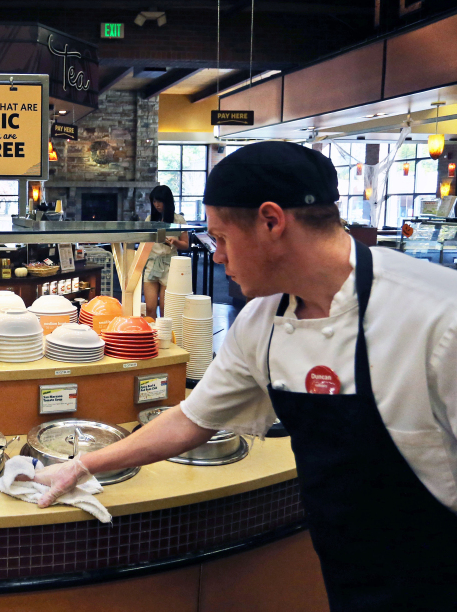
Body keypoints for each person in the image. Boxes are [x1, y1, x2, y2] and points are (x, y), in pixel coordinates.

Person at [30, 141, 457, 611]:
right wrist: (83, 464)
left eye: (223, 239)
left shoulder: (439, 315)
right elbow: (192, 419)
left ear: (272, 222)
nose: (215, 257)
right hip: (351, 574)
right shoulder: (262, 322)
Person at [143, 185, 189, 317]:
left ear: (167, 201)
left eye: (160, 201)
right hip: (152, 264)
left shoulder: (178, 220)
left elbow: (186, 245)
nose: (157, 205)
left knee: (165, 308)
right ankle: (151, 336)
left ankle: (165, 336)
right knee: (150, 308)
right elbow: (144, 242)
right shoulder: (150, 219)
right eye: (154, 201)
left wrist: (175, 242)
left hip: (170, 265)